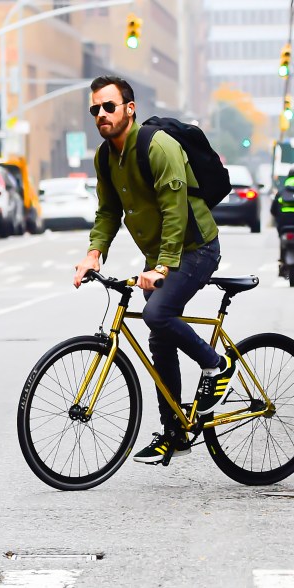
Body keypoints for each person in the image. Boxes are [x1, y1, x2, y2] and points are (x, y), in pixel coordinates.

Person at [74, 75, 236, 464]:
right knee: (160, 338)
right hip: (162, 257)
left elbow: (174, 211)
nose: (101, 114)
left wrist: (163, 265)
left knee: (156, 313)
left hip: (196, 249)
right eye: (95, 108)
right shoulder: (105, 157)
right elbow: (108, 211)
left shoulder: (157, 146)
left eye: (108, 106)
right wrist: (94, 253)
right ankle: (174, 432)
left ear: (129, 108)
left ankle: (218, 365)